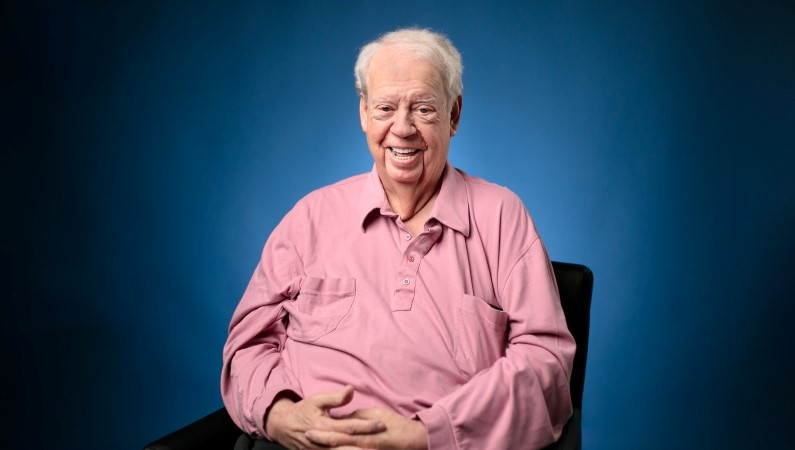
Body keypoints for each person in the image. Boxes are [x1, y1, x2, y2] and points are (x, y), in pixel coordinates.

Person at [221, 28, 575, 450]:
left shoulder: (501, 217)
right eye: (385, 108)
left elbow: (546, 365)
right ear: (364, 112)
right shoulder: (310, 217)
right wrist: (281, 417)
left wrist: (423, 435)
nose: (402, 129)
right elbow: (247, 345)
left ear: (454, 115)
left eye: (423, 109)